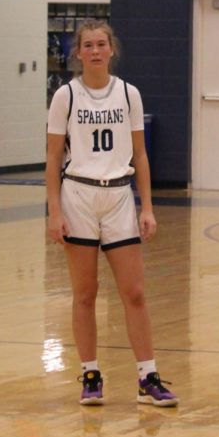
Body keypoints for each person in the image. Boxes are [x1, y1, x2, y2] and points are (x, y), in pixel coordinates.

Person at [46, 21, 177, 408]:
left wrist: (147, 206)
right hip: (78, 195)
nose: (96, 51)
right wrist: (55, 211)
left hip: (119, 195)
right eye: (88, 45)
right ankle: (90, 373)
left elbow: (140, 154)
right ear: (78, 52)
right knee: (85, 293)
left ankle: (147, 376)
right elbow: (54, 157)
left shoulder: (127, 93)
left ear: (111, 49)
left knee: (134, 292)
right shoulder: (65, 96)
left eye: (102, 44)